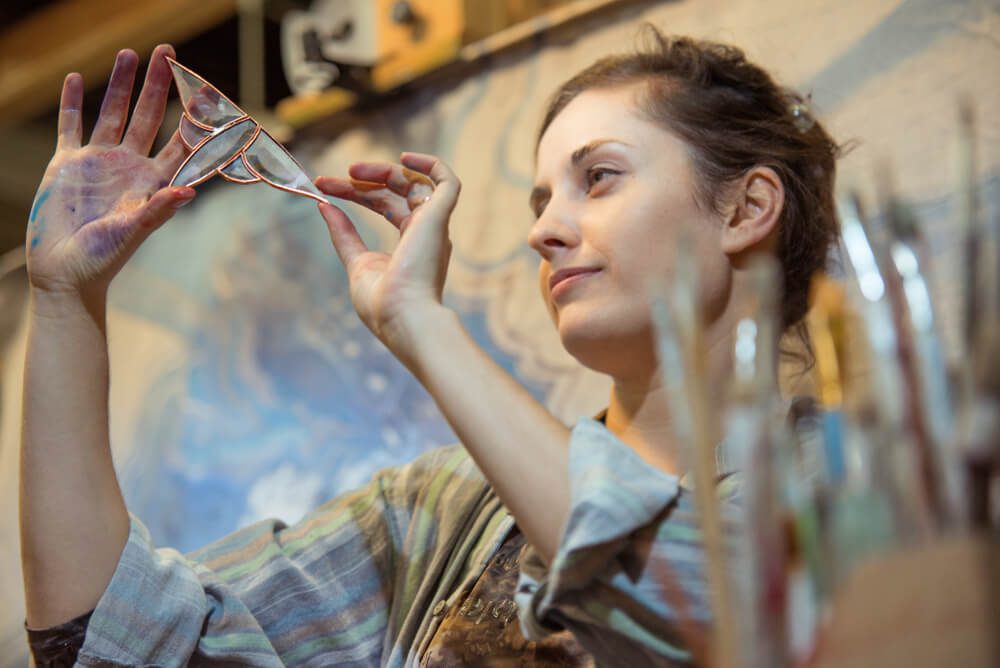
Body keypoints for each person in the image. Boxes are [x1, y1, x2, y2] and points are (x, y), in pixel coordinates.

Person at [20, 28, 840, 667]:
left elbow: (695, 608)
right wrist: (64, 301)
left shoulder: (859, 492)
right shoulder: (448, 506)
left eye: (600, 178)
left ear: (746, 209)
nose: (544, 229)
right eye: (541, 198)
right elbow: (113, 639)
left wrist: (423, 323)